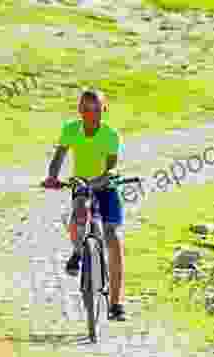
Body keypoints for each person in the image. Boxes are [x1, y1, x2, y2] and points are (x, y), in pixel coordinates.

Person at [42, 90, 127, 321]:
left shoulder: (111, 135)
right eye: (87, 109)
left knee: (112, 236)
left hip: (105, 185)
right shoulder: (71, 129)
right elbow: (59, 156)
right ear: (80, 111)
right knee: (77, 218)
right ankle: (80, 252)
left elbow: (110, 167)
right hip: (81, 184)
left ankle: (116, 303)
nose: (92, 114)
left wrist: (99, 181)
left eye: (97, 109)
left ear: (104, 110)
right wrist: (52, 177)